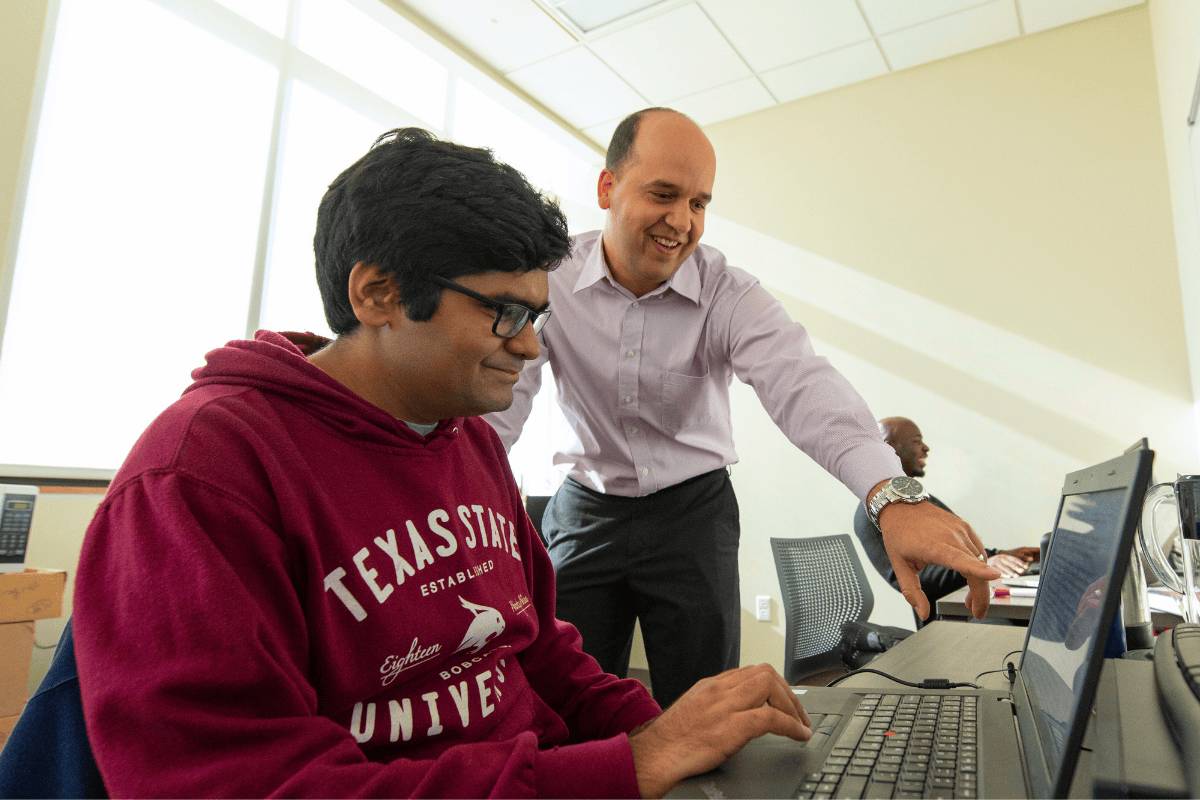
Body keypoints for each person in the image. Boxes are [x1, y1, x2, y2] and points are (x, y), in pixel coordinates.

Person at [70, 128, 813, 798]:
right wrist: (628, 766)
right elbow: (247, 784)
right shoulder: (202, 475)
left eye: (537, 315)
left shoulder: (469, 441)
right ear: (379, 294)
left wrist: (674, 734)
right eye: (504, 312)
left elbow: (539, 653)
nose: (530, 345)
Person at [485, 107, 1001, 708]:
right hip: (585, 509)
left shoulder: (728, 294)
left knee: (701, 703)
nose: (682, 222)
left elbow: (802, 385)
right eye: (663, 195)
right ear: (607, 188)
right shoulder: (549, 280)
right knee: (564, 697)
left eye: (699, 203)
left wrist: (890, 493)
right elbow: (499, 403)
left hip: (692, 515)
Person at [853, 416, 1040, 603]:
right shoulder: (874, 514)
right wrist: (980, 566)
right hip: (951, 611)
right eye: (917, 441)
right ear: (888, 449)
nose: (926, 448)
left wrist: (1001, 555)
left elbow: (961, 548)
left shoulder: (920, 500)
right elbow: (911, 578)